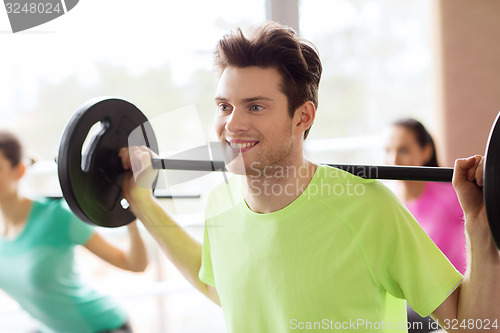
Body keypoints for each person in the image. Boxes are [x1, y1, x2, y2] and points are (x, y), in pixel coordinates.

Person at [119, 22, 500, 332]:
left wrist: (481, 226)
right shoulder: (221, 204)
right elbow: (217, 286)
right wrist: (141, 201)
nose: (232, 124)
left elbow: (473, 325)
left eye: (255, 106)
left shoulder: (367, 208)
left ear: (302, 117)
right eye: (224, 106)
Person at [0, 130, 148, 333]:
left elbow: (135, 264)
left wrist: (131, 211)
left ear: (19, 171)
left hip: (102, 327)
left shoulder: (56, 217)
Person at [385, 119, 467, 332]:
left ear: (425, 151)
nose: (393, 159)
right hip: (414, 298)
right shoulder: (389, 203)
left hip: (452, 298)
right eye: (388, 150)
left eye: (403, 150)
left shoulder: (451, 193)